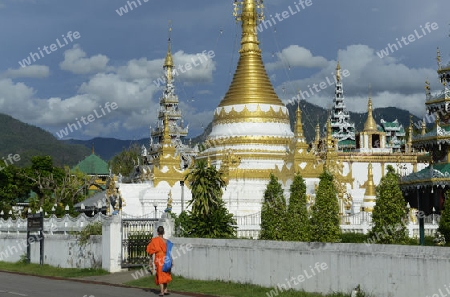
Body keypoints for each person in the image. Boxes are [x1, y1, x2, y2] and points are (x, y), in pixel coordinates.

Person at [147, 226, 173, 296]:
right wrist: (172, 261)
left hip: (159, 258)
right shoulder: (167, 241)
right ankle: (166, 290)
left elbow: (150, 251)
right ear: (164, 232)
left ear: (157, 232)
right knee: (166, 273)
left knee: (160, 274)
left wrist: (150, 260)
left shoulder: (154, 240)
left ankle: (162, 291)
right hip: (167, 258)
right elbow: (169, 252)